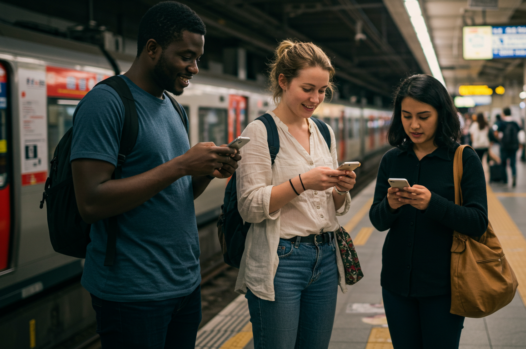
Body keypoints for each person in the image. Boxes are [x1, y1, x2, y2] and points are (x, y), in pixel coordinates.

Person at [70, 3, 241, 348]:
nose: (194, 68)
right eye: (186, 56)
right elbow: (90, 201)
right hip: (132, 293)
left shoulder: (173, 107)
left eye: (198, 58)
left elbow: (173, 193)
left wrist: (206, 172)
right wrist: (181, 165)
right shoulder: (106, 103)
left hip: (183, 286)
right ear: (152, 49)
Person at [234, 40, 356, 349]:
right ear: (283, 81)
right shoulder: (261, 132)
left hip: (326, 257)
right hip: (282, 260)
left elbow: (332, 206)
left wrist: (340, 189)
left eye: (322, 91)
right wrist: (302, 182)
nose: (315, 98)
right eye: (308, 88)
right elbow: (249, 206)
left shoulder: (323, 132)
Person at [369, 74, 488, 349]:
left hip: (445, 286)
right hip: (397, 283)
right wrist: (390, 205)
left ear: (441, 114)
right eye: (406, 115)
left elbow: (478, 222)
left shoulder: (463, 159)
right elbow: (377, 220)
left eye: (423, 116)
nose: (414, 125)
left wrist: (432, 203)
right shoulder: (392, 159)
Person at [495, 107, 521, 187]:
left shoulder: (500, 122)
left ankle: (505, 180)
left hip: (504, 146)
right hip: (513, 146)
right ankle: (514, 176)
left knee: (503, 163)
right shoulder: (515, 122)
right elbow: (520, 132)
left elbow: (495, 132)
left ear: (504, 113)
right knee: (513, 163)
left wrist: (499, 140)